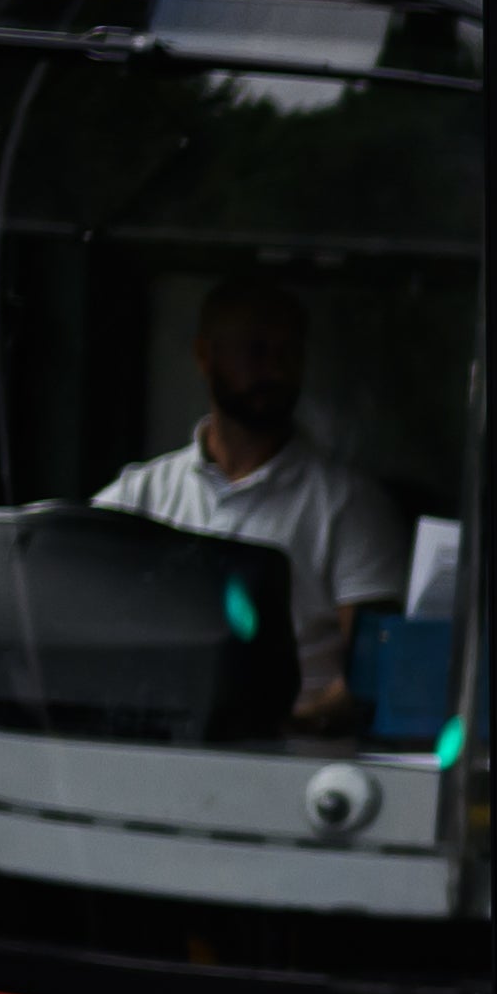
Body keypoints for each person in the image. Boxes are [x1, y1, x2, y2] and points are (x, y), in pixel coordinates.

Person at [93, 273, 413, 734]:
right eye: (257, 351)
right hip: (157, 738)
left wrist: (286, 727)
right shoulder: (136, 494)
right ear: (206, 357)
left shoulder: (350, 505)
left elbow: (376, 670)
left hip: (295, 750)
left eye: (289, 353)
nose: (277, 371)